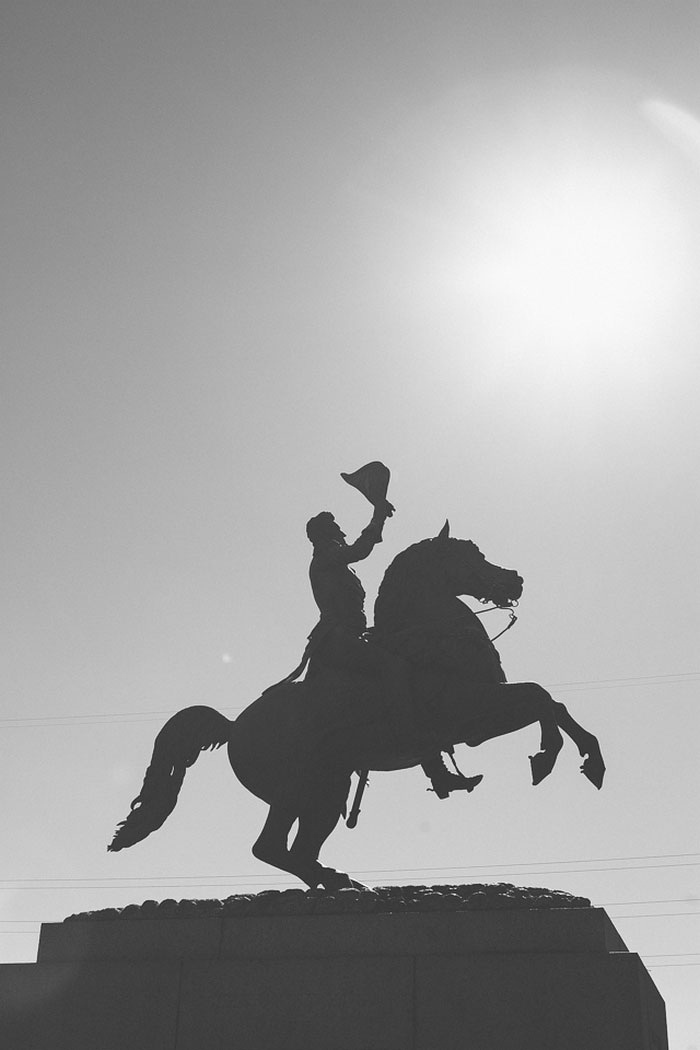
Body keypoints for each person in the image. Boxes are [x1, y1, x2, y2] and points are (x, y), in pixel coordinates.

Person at [304, 503, 481, 798]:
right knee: (393, 666)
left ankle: (437, 771)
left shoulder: (336, 563)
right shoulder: (325, 558)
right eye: (335, 530)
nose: (340, 533)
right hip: (336, 639)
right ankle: (408, 731)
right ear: (323, 536)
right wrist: (378, 515)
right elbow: (361, 549)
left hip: (355, 636)